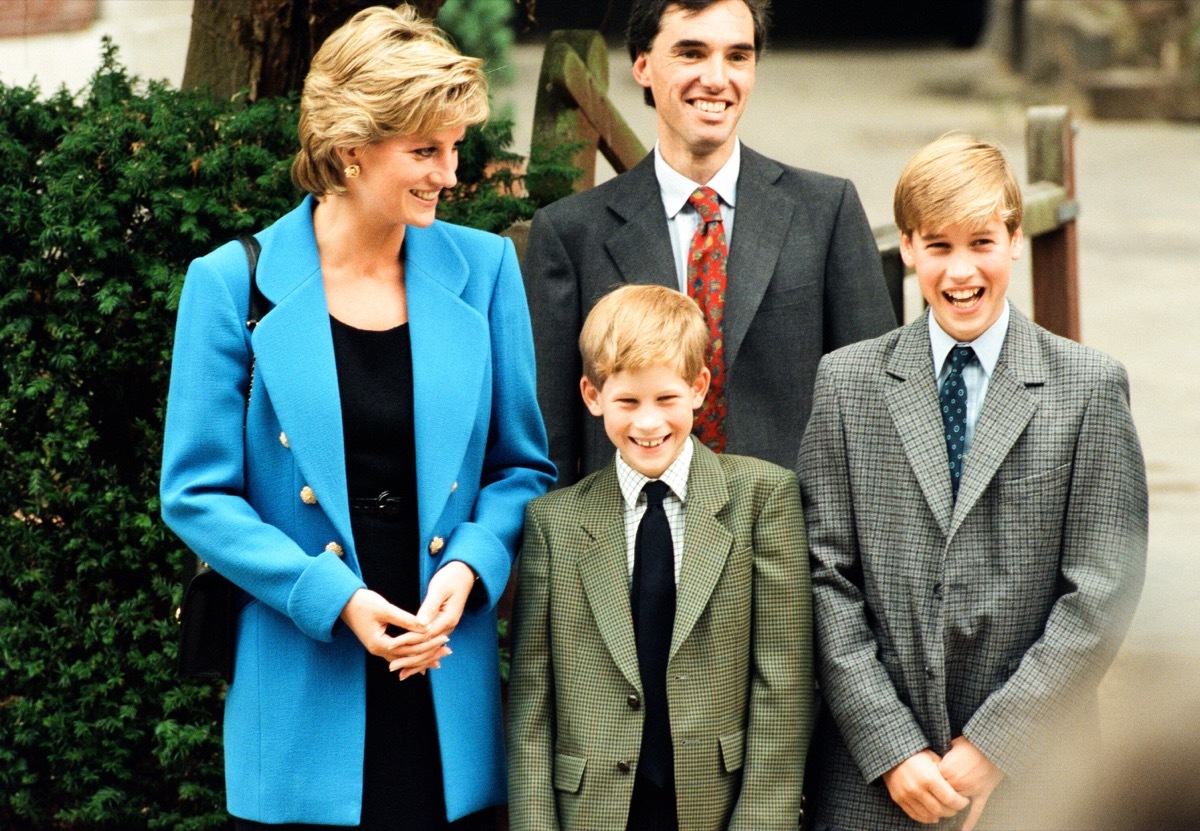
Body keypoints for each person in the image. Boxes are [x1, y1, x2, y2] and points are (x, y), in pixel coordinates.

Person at [160, 6, 554, 828]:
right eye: (424, 151)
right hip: (304, 670)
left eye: (452, 148)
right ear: (348, 149)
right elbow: (196, 493)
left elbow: (521, 466)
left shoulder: (484, 270)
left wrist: (470, 568)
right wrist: (331, 595)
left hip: (443, 666)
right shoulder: (231, 282)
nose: (450, 173)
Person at [798, 134, 1148, 831]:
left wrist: (995, 744)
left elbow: (1103, 587)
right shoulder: (848, 383)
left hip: (1039, 776)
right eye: (938, 246)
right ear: (906, 248)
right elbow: (823, 574)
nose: (961, 271)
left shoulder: (1087, 388)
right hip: (875, 783)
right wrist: (892, 747)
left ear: (1015, 239)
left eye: (981, 242)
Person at [522, 0, 896, 487]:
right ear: (642, 64)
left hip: (788, 547)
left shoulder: (825, 211)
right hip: (630, 549)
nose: (717, 78)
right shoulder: (572, 234)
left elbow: (872, 414)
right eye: (692, 53)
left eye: (737, 56)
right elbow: (547, 445)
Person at [507, 283, 812, 831]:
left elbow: (782, 685)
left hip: (717, 804)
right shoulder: (552, 523)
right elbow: (532, 705)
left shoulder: (763, 498)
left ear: (698, 388)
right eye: (627, 402)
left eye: (666, 399)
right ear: (592, 395)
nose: (648, 424)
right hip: (593, 807)